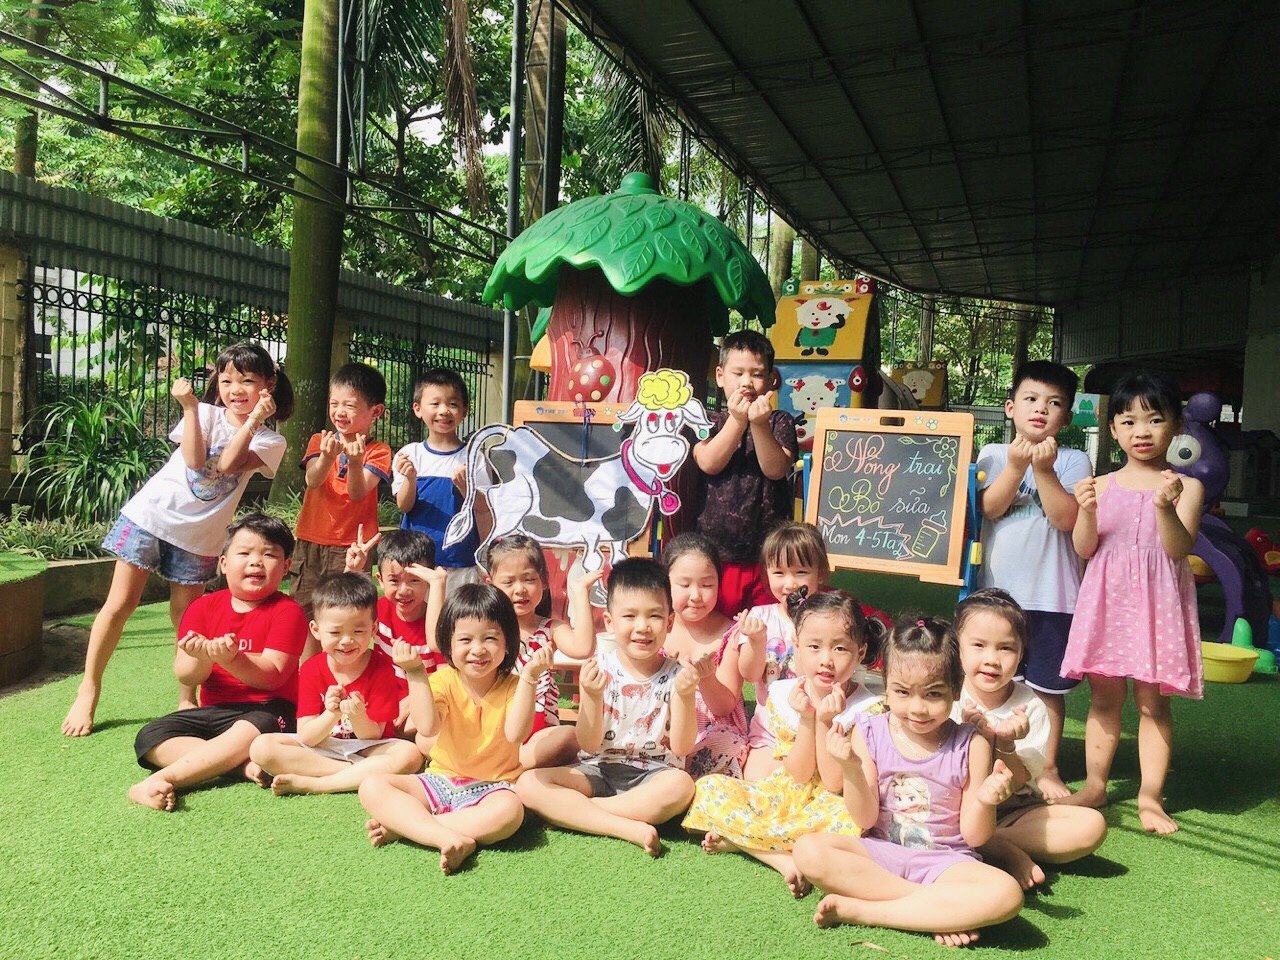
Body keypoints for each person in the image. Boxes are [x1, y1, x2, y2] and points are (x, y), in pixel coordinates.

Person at [63, 342, 292, 737]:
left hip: (199, 538)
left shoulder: (271, 441)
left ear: (268, 385)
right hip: (150, 517)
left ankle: (186, 696)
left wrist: (254, 420)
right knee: (120, 604)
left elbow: (227, 464)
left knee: (187, 619)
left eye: (246, 381)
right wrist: (189, 408)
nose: (235, 389)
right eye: (226, 381)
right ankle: (89, 687)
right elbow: (194, 460)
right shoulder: (203, 412)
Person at [792, 616, 1024, 948]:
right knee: (808, 850)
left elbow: (975, 837)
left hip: (947, 863)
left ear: (957, 688)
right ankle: (933, 909)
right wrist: (851, 768)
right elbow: (865, 819)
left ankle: (867, 911)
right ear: (885, 685)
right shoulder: (869, 731)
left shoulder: (972, 744)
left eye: (933, 694)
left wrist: (986, 800)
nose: (917, 708)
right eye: (902, 692)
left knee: (1007, 894)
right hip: (881, 853)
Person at [1059, 370, 1203, 835]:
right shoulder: (1100, 485)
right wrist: (1086, 510)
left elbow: (1178, 549)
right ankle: (1095, 786)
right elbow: (1084, 548)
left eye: (1155, 419)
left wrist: (1164, 507)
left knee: (1152, 705)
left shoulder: (1186, 487)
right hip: (1107, 605)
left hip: (1158, 610)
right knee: (1104, 699)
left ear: (1175, 425)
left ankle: (1149, 797)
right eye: (1129, 421)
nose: (1142, 431)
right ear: (1114, 429)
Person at [683, 590, 881, 898]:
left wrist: (825, 721)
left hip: (829, 803)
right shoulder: (785, 693)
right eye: (814, 646)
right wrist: (806, 719)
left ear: (860, 652)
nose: (826, 660)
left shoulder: (867, 709)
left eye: (840, 648)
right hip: (786, 792)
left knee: (850, 825)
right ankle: (777, 857)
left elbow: (833, 782)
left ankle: (744, 839)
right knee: (708, 789)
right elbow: (798, 774)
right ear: (797, 646)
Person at [358, 584, 552, 874]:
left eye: (490, 638)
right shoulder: (442, 680)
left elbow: (516, 735)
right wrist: (415, 672)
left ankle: (407, 828)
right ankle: (447, 836)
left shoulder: (515, 685)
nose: (478, 649)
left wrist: (530, 678)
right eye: (465, 639)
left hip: (493, 788)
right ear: (448, 644)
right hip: (439, 780)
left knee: (509, 812)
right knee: (371, 786)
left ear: (508, 643)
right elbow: (427, 727)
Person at [515, 558, 702, 856]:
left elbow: (681, 747)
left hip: (654, 775)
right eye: (629, 616)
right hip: (597, 770)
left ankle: (583, 813)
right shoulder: (598, 669)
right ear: (610, 622)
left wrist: (687, 695)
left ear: (669, 622)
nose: (642, 627)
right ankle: (624, 826)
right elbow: (588, 743)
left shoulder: (677, 675)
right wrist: (591, 695)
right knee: (529, 783)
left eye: (654, 616)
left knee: (681, 786)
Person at [127, 514, 308, 811]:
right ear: (223, 563)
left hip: (269, 710)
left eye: (269, 555)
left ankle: (162, 779)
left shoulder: (288, 612)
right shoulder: (202, 608)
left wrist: (232, 659)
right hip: (215, 711)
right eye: (244, 553)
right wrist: (202, 658)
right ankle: (241, 766)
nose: (256, 562)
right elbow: (186, 675)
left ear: (286, 566)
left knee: (253, 729)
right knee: (151, 736)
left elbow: (273, 676)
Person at [977, 359, 1090, 799]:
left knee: (1045, 689)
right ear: (1010, 407)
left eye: (1054, 403)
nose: (1041, 408)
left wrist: (1043, 470)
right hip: (994, 596)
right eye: (1031, 398)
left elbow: (1066, 519)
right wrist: (1015, 466)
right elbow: (989, 509)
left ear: (1066, 417)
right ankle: (987, 758)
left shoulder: (1075, 460)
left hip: (1053, 596)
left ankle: (1047, 768)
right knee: (990, 680)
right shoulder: (991, 453)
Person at [951, 588, 1107, 888]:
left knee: (1092, 826)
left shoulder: (1030, 705)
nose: (992, 659)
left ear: (1022, 653)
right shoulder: (948, 697)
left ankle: (989, 843)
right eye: (979, 645)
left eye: (1006, 648)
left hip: (1014, 811)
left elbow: (1019, 779)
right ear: (958, 647)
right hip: (955, 809)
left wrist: (1006, 743)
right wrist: (965, 734)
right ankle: (984, 843)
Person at [248, 572, 423, 795]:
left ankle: (318, 783)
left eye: (358, 631)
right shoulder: (311, 668)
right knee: (261, 747)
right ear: (316, 630)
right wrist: (332, 714)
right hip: (324, 748)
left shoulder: (382, 668)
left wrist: (358, 716)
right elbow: (307, 736)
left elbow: (374, 736)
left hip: (368, 749)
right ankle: (352, 774)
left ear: (373, 629)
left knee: (409, 754)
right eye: (335, 632)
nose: (347, 640)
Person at [693, 330, 798, 616]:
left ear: (772, 379)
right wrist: (738, 420)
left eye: (757, 374)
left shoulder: (780, 421)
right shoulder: (707, 420)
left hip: (769, 556)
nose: (746, 382)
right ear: (720, 375)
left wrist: (759, 424)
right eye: (737, 373)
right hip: (715, 553)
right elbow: (709, 462)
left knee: (766, 625)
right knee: (717, 622)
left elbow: (775, 469)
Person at [484, 534, 597, 768]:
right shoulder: (485, 629)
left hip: (539, 731)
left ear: (544, 581)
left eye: (529, 579)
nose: (520, 590)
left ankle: (509, 765)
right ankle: (506, 763)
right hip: (493, 724)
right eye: (508, 582)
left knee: (570, 736)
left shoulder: (550, 628)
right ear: (490, 584)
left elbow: (583, 647)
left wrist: (579, 593)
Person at [292, 362, 392, 623]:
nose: (339, 412)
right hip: (311, 538)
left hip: (352, 546)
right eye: (334, 403)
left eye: (349, 405)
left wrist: (356, 463)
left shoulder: (379, 451)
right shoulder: (320, 440)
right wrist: (327, 457)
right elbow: (312, 480)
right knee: (304, 612)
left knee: (347, 614)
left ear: (375, 411)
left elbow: (358, 493)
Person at [660, 532, 750, 779]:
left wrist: (706, 677)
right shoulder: (656, 629)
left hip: (713, 733)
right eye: (684, 585)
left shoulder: (730, 633)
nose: (696, 596)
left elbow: (724, 706)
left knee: (724, 747)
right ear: (665, 583)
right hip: (664, 727)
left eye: (707, 585)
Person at [392, 368, 484, 589]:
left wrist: (467, 489)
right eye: (435, 403)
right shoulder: (409, 454)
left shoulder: (474, 457)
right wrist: (410, 479)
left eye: (452, 404)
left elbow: (484, 508)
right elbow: (404, 505)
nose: (444, 411)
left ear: (464, 411)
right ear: (417, 408)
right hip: (417, 564)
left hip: (461, 561)